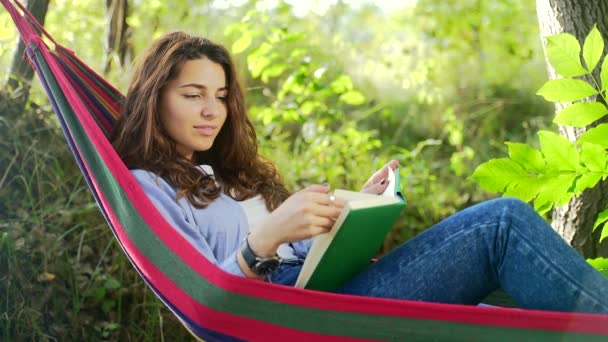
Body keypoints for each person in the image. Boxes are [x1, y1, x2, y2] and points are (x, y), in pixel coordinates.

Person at [111, 31, 608, 314]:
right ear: (155, 99)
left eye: (220, 97)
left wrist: (349, 211)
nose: (211, 112)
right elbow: (199, 300)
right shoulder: (147, 187)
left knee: (502, 317)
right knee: (500, 225)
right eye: (192, 95)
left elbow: (304, 260)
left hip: (329, 293)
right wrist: (263, 239)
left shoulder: (225, 173)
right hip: (296, 318)